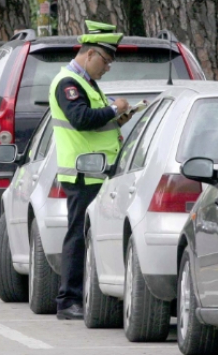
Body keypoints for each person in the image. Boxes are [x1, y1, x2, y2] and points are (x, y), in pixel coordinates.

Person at [48, 21, 132, 320]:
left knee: (89, 235)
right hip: (83, 174)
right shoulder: (68, 83)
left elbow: (92, 124)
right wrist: (114, 109)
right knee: (77, 236)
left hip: (98, 173)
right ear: (91, 54)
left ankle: (82, 296)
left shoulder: (84, 82)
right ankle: (68, 301)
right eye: (106, 62)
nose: (107, 68)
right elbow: (81, 118)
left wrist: (118, 120)